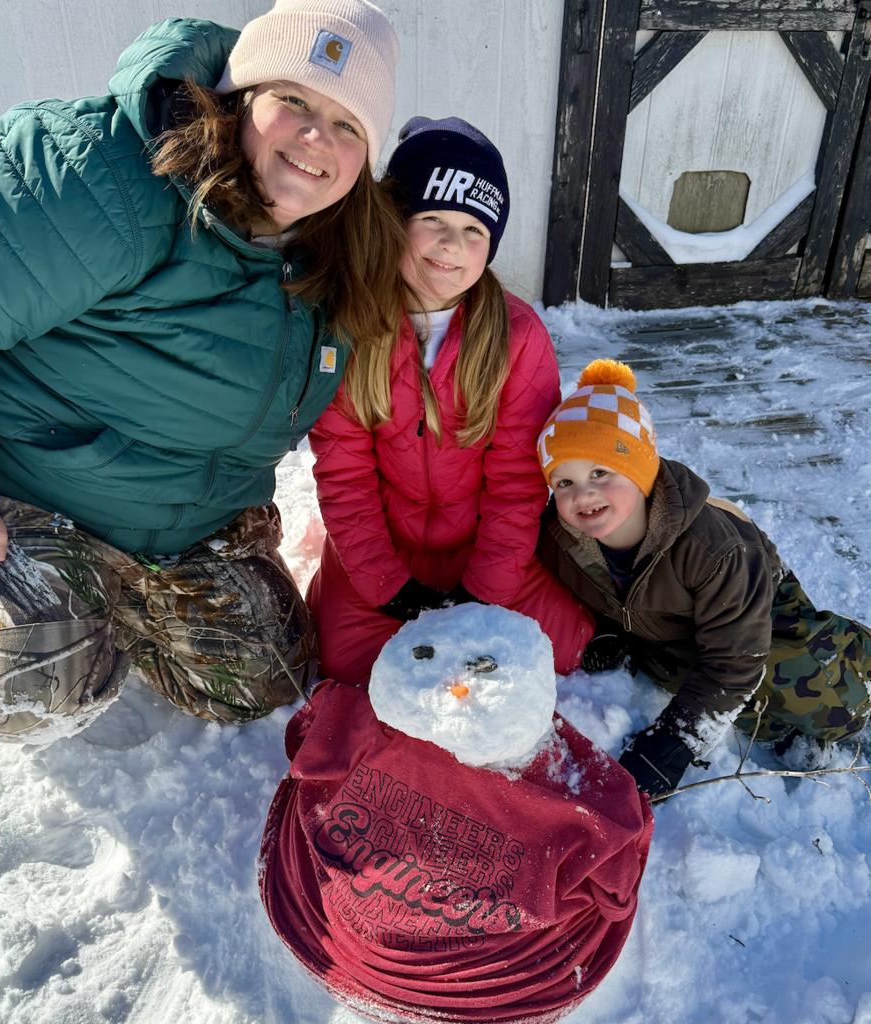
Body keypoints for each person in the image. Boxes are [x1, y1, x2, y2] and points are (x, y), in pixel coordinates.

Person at [0, 0, 405, 740]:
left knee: (261, 674)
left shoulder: (337, 253)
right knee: (38, 673)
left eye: (347, 125)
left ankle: (112, 594)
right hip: (21, 489)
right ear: (241, 95)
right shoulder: (107, 173)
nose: (317, 138)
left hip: (170, 525)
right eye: (295, 101)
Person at [259, 604, 653, 1024]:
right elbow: (616, 885)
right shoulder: (581, 806)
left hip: (328, 931)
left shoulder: (356, 722)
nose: (456, 683)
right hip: (494, 987)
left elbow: (306, 739)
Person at [306, 116, 594, 686]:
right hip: (383, 549)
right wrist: (387, 586)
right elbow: (343, 474)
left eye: (473, 230)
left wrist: (482, 592)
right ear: (393, 222)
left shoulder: (518, 335)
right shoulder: (349, 326)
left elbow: (518, 482)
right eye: (432, 219)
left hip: (482, 547)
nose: (450, 245)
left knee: (560, 650)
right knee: (349, 666)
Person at [536, 358, 871, 797]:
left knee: (820, 697)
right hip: (672, 625)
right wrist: (605, 632)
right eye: (563, 482)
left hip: (761, 613)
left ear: (641, 471)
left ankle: (857, 665)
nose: (583, 494)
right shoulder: (561, 540)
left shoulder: (712, 549)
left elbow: (737, 657)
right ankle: (768, 722)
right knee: (680, 676)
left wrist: (673, 742)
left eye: (601, 472)